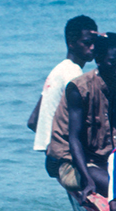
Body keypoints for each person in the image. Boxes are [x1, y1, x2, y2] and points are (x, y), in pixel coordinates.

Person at [47, 33, 116, 197]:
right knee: (115, 187)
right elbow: (74, 138)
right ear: (98, 60)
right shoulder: (79, 89)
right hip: (73, 162)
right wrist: (87, 179)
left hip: (104, 158)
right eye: (113, 62)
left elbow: (115, 128)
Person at [29, 15, 98, 164]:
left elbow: (33, 121)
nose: (92, 47)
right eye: (87, 43)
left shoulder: (58, 70)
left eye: (95, 42)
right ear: (71, 43)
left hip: (52, 155)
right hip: (66, 155)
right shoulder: (73, 74)